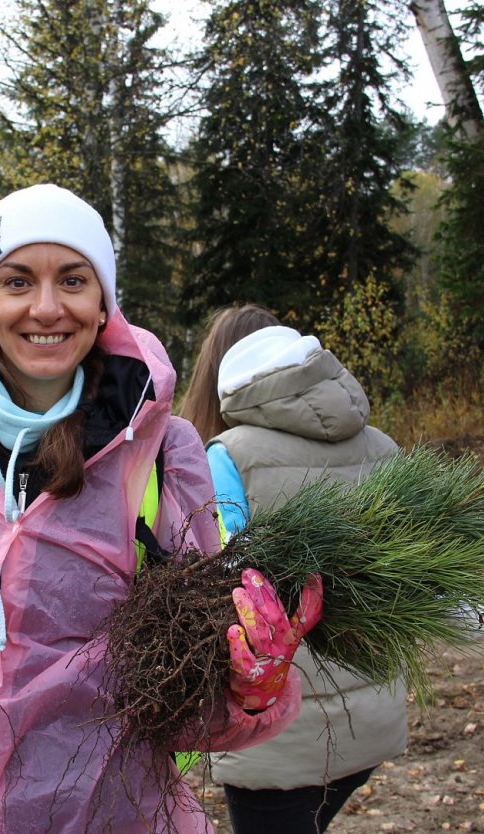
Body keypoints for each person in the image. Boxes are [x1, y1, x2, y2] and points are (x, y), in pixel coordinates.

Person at [0, 184, 321, 833]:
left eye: (73, 280)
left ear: (103, 301)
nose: (46, 307)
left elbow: (188, 703)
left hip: (105, 814)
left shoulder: (163, 452)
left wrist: (250, 688)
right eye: (17, 281)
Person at [178, 305, 407, 834]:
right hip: (371, 715)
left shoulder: (228, 455)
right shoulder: (383, 447)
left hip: (279, 731)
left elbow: (216, 573)